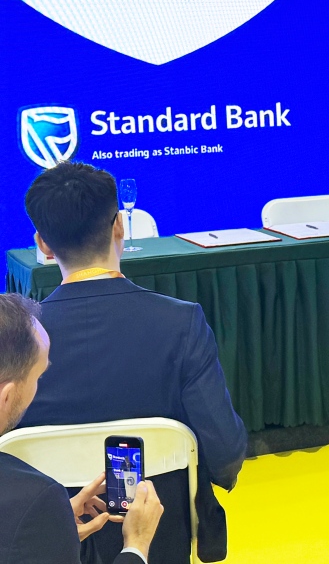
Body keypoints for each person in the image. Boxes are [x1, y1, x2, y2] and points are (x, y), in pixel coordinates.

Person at [20, 161, 248, 564]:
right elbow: (225, 451)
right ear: (119, 228)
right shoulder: (181, 323)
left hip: (45, 531)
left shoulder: (16, 338)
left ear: (43, 245)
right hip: (159, 529)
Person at [0, 293, 163, 564]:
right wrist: (137, 545)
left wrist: (50, 534)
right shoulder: (34, 499)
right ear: (6, 397)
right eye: (38, 376)